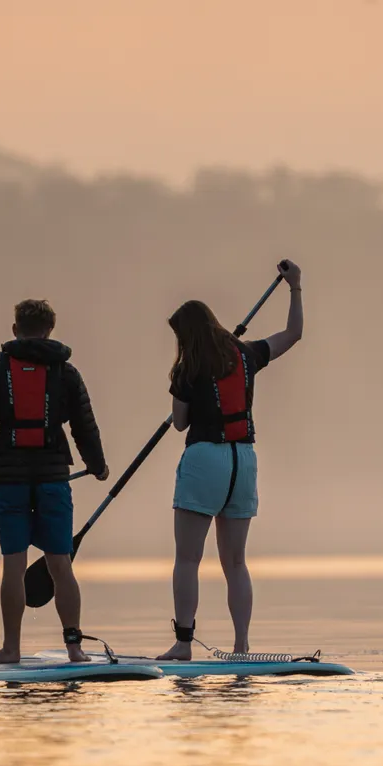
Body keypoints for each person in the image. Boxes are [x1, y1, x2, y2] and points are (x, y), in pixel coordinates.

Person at [157, 259, 304, 661]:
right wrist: (295, 288)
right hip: (244, 460)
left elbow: (180, 425)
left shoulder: (187, 367)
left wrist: (178, 402)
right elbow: (293, 334)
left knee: (188, 558)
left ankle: (184, 644)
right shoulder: (247, 354)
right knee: (236, 562)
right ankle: (241, 646)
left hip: (205, 460)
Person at [0, 299, 109, 664]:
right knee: (60, 564)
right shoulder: (67, 374)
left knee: (13, 566)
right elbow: (84, 425)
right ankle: (74, 649)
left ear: (15, 330)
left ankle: (11, 649)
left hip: (10, 482)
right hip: (53, 480)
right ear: (49, 331)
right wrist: (97, 465)